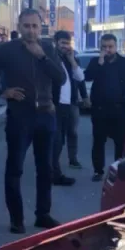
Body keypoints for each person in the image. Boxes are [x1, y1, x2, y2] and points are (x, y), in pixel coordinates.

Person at [0, 9, 67, 233]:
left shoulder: (47, 49)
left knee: (45, 168)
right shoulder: (8, 49)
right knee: (15, 168)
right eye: (27, 26)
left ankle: (42, 214)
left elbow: (61, 78)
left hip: (46, 115)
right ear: (19, 26)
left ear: (40, 27)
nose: (31, 30)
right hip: (20, 117)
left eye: (35, 26)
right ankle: (16, 219)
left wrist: (42, 57)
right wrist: (1, 91)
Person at [83, 33, 125, 180]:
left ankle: (118, 171)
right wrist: (100, 61)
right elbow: (87, 77)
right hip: (100, 110)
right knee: (99, 141)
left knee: (120, 143)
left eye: (110, 47)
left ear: (116, 46)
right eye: (104, 47)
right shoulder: (96, 61)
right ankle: (98, 171)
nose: (107, 50)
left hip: (119, 110)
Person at [50, 30, 84, 184]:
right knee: (56, 141)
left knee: (63, 138)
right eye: (62, 43)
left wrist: (72, 60)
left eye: (67, 43)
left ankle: (56, 171)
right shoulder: (51, 58)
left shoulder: (69, 59)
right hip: (55, 105)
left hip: (68, 105)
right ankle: (54, 175)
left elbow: (80, 77)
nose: (65, 46)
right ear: (56, 43)